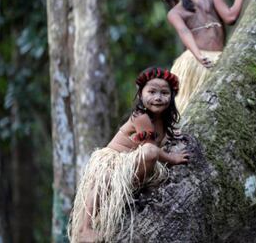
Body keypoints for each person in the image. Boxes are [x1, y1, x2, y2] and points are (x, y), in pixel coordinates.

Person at [68, 67, 190, 243]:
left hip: (132, 165)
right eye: (152, 92)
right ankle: (84, 228)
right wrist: (173, 158)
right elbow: (151, 149)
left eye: (164, 93)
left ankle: (126, 192)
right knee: (111, 176)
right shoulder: (140, 117)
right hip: (114, 162)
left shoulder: (163, 120)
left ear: (172, 96)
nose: (158, 97)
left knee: (147, 156)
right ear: (141, 94)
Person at [160, 0, 247, 113]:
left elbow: (184, 32)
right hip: (204, 60)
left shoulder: (174, 12)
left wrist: (199, 56)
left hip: (201, 60)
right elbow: (230, 17)